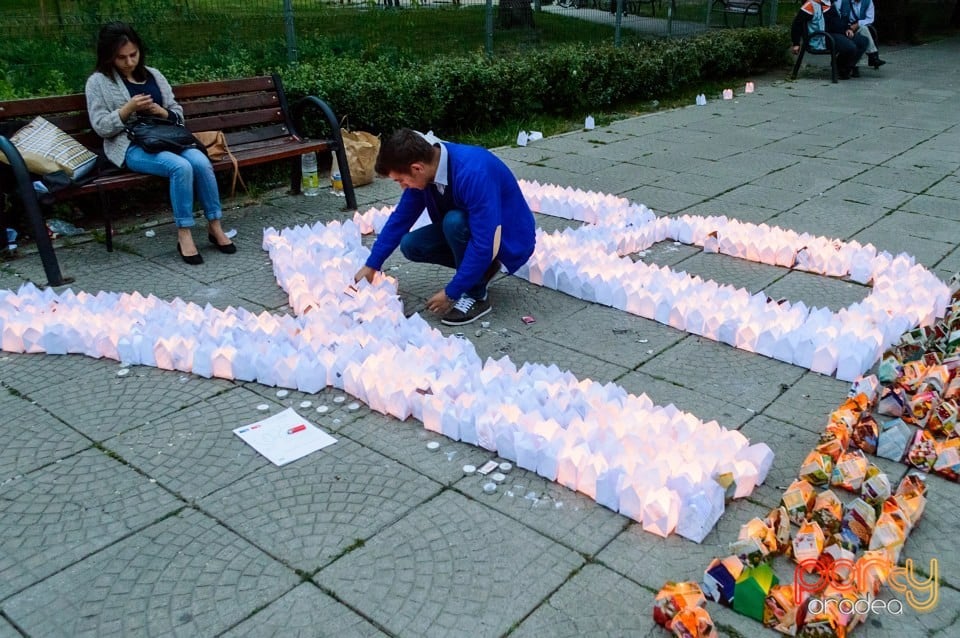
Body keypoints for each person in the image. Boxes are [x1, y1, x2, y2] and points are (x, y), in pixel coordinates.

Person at [85, 21, 235, 265]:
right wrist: (127, 109)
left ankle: (215, 225)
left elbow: (177, 113)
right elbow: (101, 126)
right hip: (131, 145)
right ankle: (184, 233)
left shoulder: (154, 75)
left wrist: (161, 112)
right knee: (180, 167)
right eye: (121, 57)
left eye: (133, 55)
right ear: (108, 56)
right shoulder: (98, 82)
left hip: (167, 138)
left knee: (200, 160)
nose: (129, 62)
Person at [354, 129, 536, 326]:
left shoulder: (473, 172)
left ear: (416, 168)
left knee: (454, 222)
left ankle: (476, 295)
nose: (402, 186)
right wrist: (372, 264)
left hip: (507, 238)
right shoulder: (426, 169)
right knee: (411, 244)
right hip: (472, 230)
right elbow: (401, 219)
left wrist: (451, 292)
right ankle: (482, 269)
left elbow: (485, 242)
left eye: (400, 180)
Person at [791, 0, 869, 80]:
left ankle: (842, 67)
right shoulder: (811, 4)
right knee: (850, 47)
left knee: (863, 41)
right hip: (823, 38)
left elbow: (838, 21)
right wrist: (796, 43)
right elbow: (797, 24)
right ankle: (841, 69)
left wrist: (847, 29)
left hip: (837, 34)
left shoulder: (830, 4)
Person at [836, 0, 886, 69]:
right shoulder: (842, 1)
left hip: (859, 26)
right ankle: (873, 57)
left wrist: (858, 24)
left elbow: (870, 19)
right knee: (862, 35)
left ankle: (858, 64)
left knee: (863, 29)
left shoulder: (868, 1)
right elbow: (837, 16)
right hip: (844, 28)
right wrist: (847, 27)